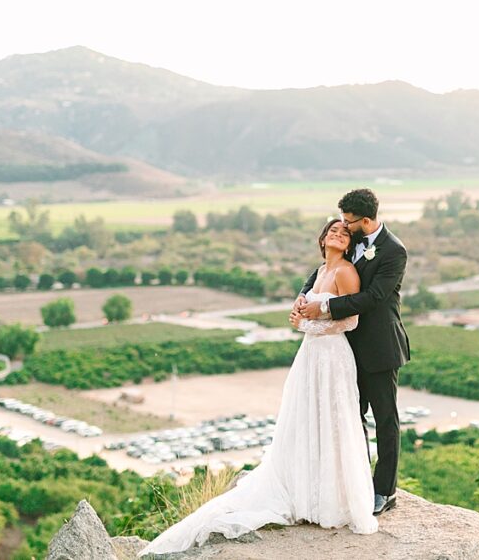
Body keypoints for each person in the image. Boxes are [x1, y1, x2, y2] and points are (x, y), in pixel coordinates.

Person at [138, 219, 377, 556]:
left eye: (344, 233)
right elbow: (307, 308)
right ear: (322, 238)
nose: (338, 235)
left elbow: (350, 320)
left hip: (333, 356)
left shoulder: (345, 273)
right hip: (310, 356)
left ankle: (334, 500)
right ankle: (307, 490)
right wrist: (300, 319)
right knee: (306, 420)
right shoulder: (321, 271)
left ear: (348, 243)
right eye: (332, 231)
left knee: (333, 421)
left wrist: (307, 323)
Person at [295, 187, 410, 516]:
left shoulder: (393, 251)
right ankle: (357, 483)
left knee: (385, 420)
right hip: (345, 347)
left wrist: (326, 307)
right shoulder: (355, 238)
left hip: (380, 348)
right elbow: (324, 267)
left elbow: (373, 297)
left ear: (366, 219)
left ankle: (385, 491)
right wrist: (305, 296)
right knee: (350, 417)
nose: (343, 226)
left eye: (348, 221)